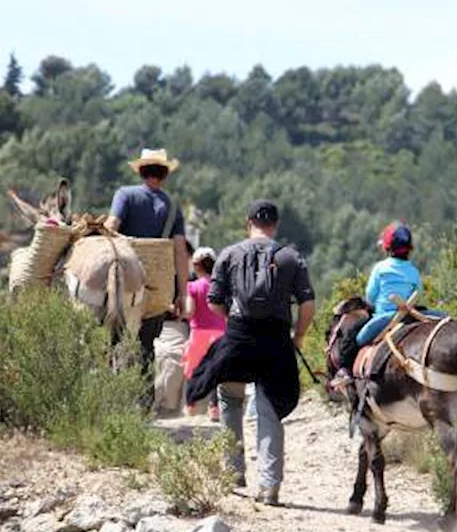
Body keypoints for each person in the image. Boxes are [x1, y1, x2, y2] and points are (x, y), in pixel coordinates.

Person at [184, 200, 316, 506]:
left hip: (239, 337)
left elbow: (215, 302)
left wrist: (232, 320)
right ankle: (269, 486)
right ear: (276, 225)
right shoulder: (290, 257)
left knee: (230, 399)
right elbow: (308, 304)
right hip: (276, 340)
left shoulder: (229, 254)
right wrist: (298, 336)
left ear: (249, 223)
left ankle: (233, 472)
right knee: (269, 410)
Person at [104, 149, 192, 406]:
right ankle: (143, 405)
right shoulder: (173, 207)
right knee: (146, 347)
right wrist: (182, 292)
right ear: (164, 175)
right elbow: (180, 251)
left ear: (141, 171)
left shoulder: (125, 195)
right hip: (157, 287)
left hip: (125, 282)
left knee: (115, 341)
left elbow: (111, 228)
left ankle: (114, 401)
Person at [336, 222, 444, 382]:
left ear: (387, 248)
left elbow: (370, 296)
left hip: (385, 318)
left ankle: (346, 372)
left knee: (356, 339)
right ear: (410, 248)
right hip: (411, 315)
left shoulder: (380, 268)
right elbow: (419, 292)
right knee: (443, 318)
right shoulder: (413, 270)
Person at [182, 246, 225, 421]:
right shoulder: (221, 286)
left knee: (193, 370)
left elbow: (190, 311)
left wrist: (176, 310)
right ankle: (214, 408)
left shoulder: (192, 286)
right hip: (220, 333)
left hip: (199, 333)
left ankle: (190, 406)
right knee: (215, 371)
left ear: (196, 266)